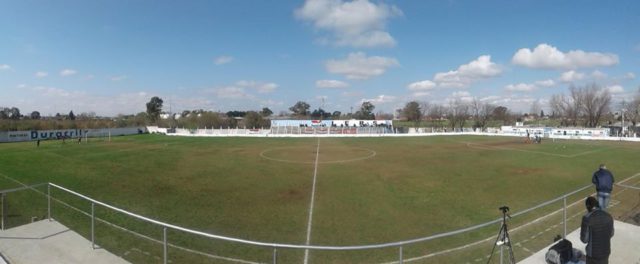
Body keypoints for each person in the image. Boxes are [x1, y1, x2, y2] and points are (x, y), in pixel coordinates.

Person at [580, 196, 614, 264]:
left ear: (588, 207)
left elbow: (584, 240)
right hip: (605, 252)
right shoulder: (608, 216)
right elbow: (611, 234)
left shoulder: (587, 218)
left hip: (593, 255)